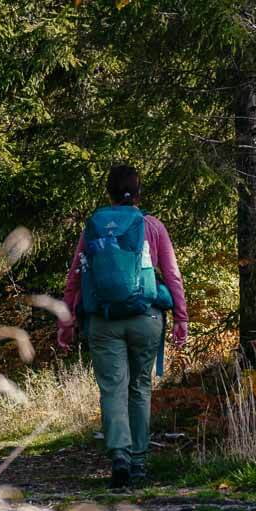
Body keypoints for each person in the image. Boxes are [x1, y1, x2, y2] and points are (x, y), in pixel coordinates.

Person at [57, 165, 188, 488]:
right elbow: (172, 276)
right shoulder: (153, 226)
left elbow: (75, 276)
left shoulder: (95, 228)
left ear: (109, 194)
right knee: (140, 387)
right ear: (138, 193)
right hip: (147, 317)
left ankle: (120, 455)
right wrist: (181, 318)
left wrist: (67, 320)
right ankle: (139, 461)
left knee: (112, 388)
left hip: (103, 320)